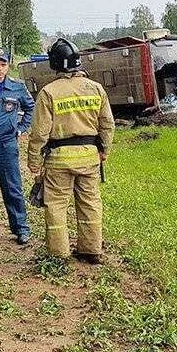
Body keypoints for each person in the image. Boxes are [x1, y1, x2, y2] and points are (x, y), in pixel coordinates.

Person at [27, 38, 115, 264]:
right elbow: (107, 124)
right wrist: (103, 149)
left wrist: (34, 162)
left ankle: (59, 254)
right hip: (89, 157)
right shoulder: (96, 89)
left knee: (56, 205)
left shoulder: (48, 92)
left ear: (54, 64)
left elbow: (39, 133)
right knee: (90, 203)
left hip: (58, 160)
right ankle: (92, 250)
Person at [0, 47, 35, 245]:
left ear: (8, 66)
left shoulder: (17, 87)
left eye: (3, 65)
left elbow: (31, 107)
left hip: (6, 145)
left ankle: (20, 228)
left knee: (12, 188)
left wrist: (21, 128)